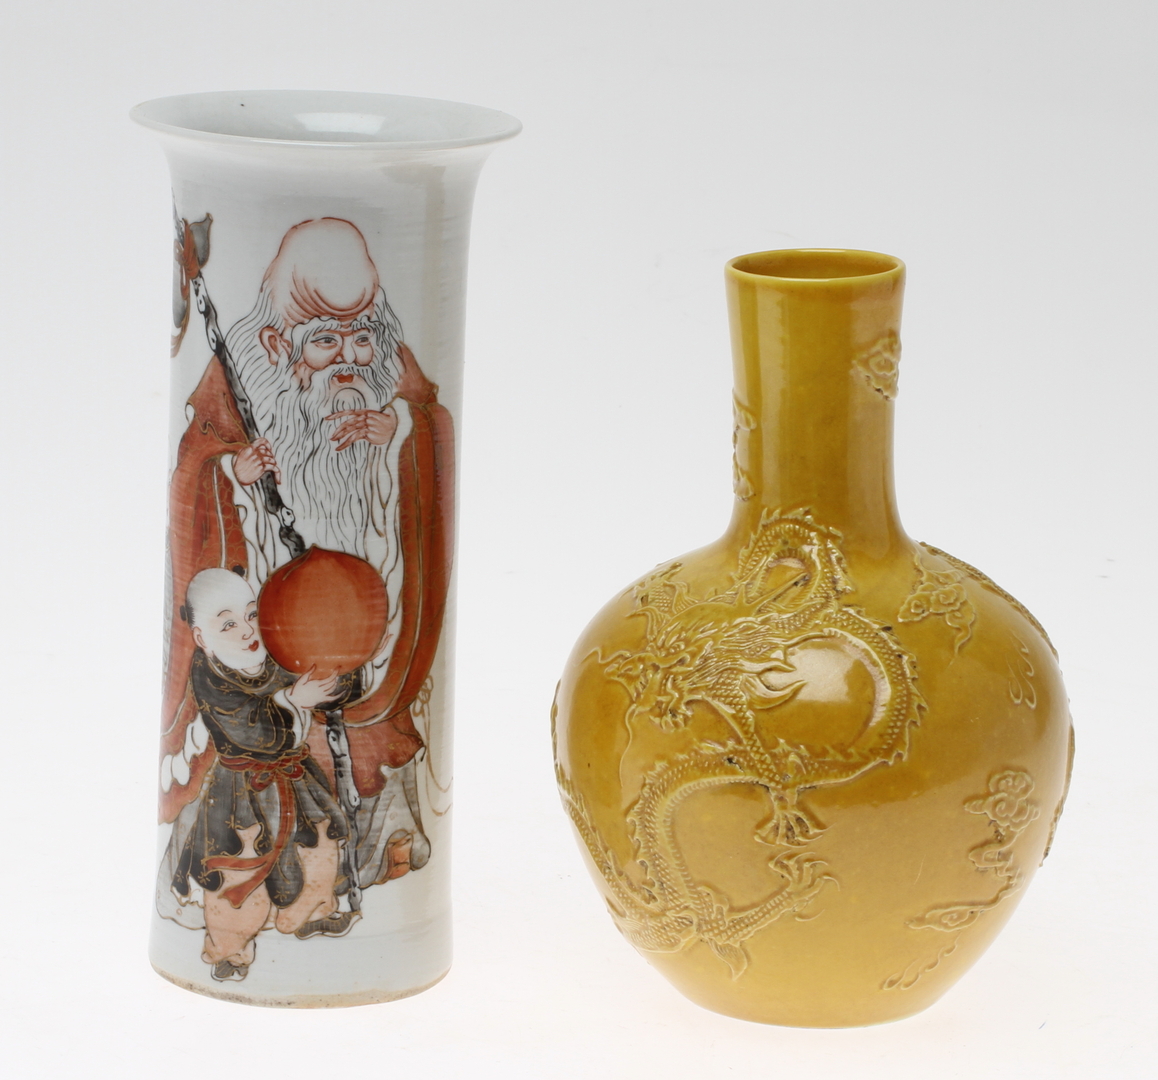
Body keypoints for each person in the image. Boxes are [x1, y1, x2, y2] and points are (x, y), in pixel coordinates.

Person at [158, 218, 454, 903]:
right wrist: (233, 472)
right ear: (277, 344)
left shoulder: (393, 381)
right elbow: (193, 473)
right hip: (267, 640)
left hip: (374, 638)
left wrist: (401, 432)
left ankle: (370, 871)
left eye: (361, 338)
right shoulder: (237, 381)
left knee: (375, 744)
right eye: (324, 341)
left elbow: (433, 437)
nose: (349, 358)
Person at [159, 569, 359, 982]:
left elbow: (313, 679)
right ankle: (229, 948)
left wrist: (342, 668)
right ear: (201, 637)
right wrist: (293, 699)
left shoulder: (272, 653)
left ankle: (311, 912)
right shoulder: (210, 675)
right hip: (240, 790)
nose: (248, 630)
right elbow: (247, 728)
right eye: (228, 624)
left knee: (319, 841)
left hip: (295, 777)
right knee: (236, 867)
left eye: (252, 615)